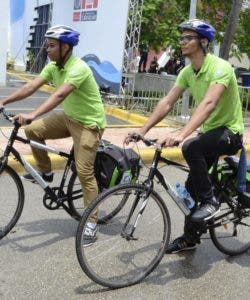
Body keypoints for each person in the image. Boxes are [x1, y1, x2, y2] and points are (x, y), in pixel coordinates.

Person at [125, 19, 243, 253]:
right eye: (182, 38)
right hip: (210, 134)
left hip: (230, 133)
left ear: (203, 41)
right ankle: (190, 239)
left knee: (190, 147)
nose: (182, 42)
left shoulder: (220, 67)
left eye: (188, 38)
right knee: (190, 191)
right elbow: (167, 102)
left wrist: (183, 135)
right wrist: (143, 130)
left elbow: (209, 103)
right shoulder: (188, 71)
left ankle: (210, 202)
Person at [0, 25, 106, 246]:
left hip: (89, 124)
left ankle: (91, 222)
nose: (47, 49)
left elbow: (59, 95)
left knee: (85, 172)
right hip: (69, 117)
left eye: (51, 45)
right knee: (32, 130)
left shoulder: (79, 68)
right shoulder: (53, 67)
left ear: (65, 47)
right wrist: (4, 101)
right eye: (47, 45)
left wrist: (32, 113)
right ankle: (47, 172)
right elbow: (31, 86)